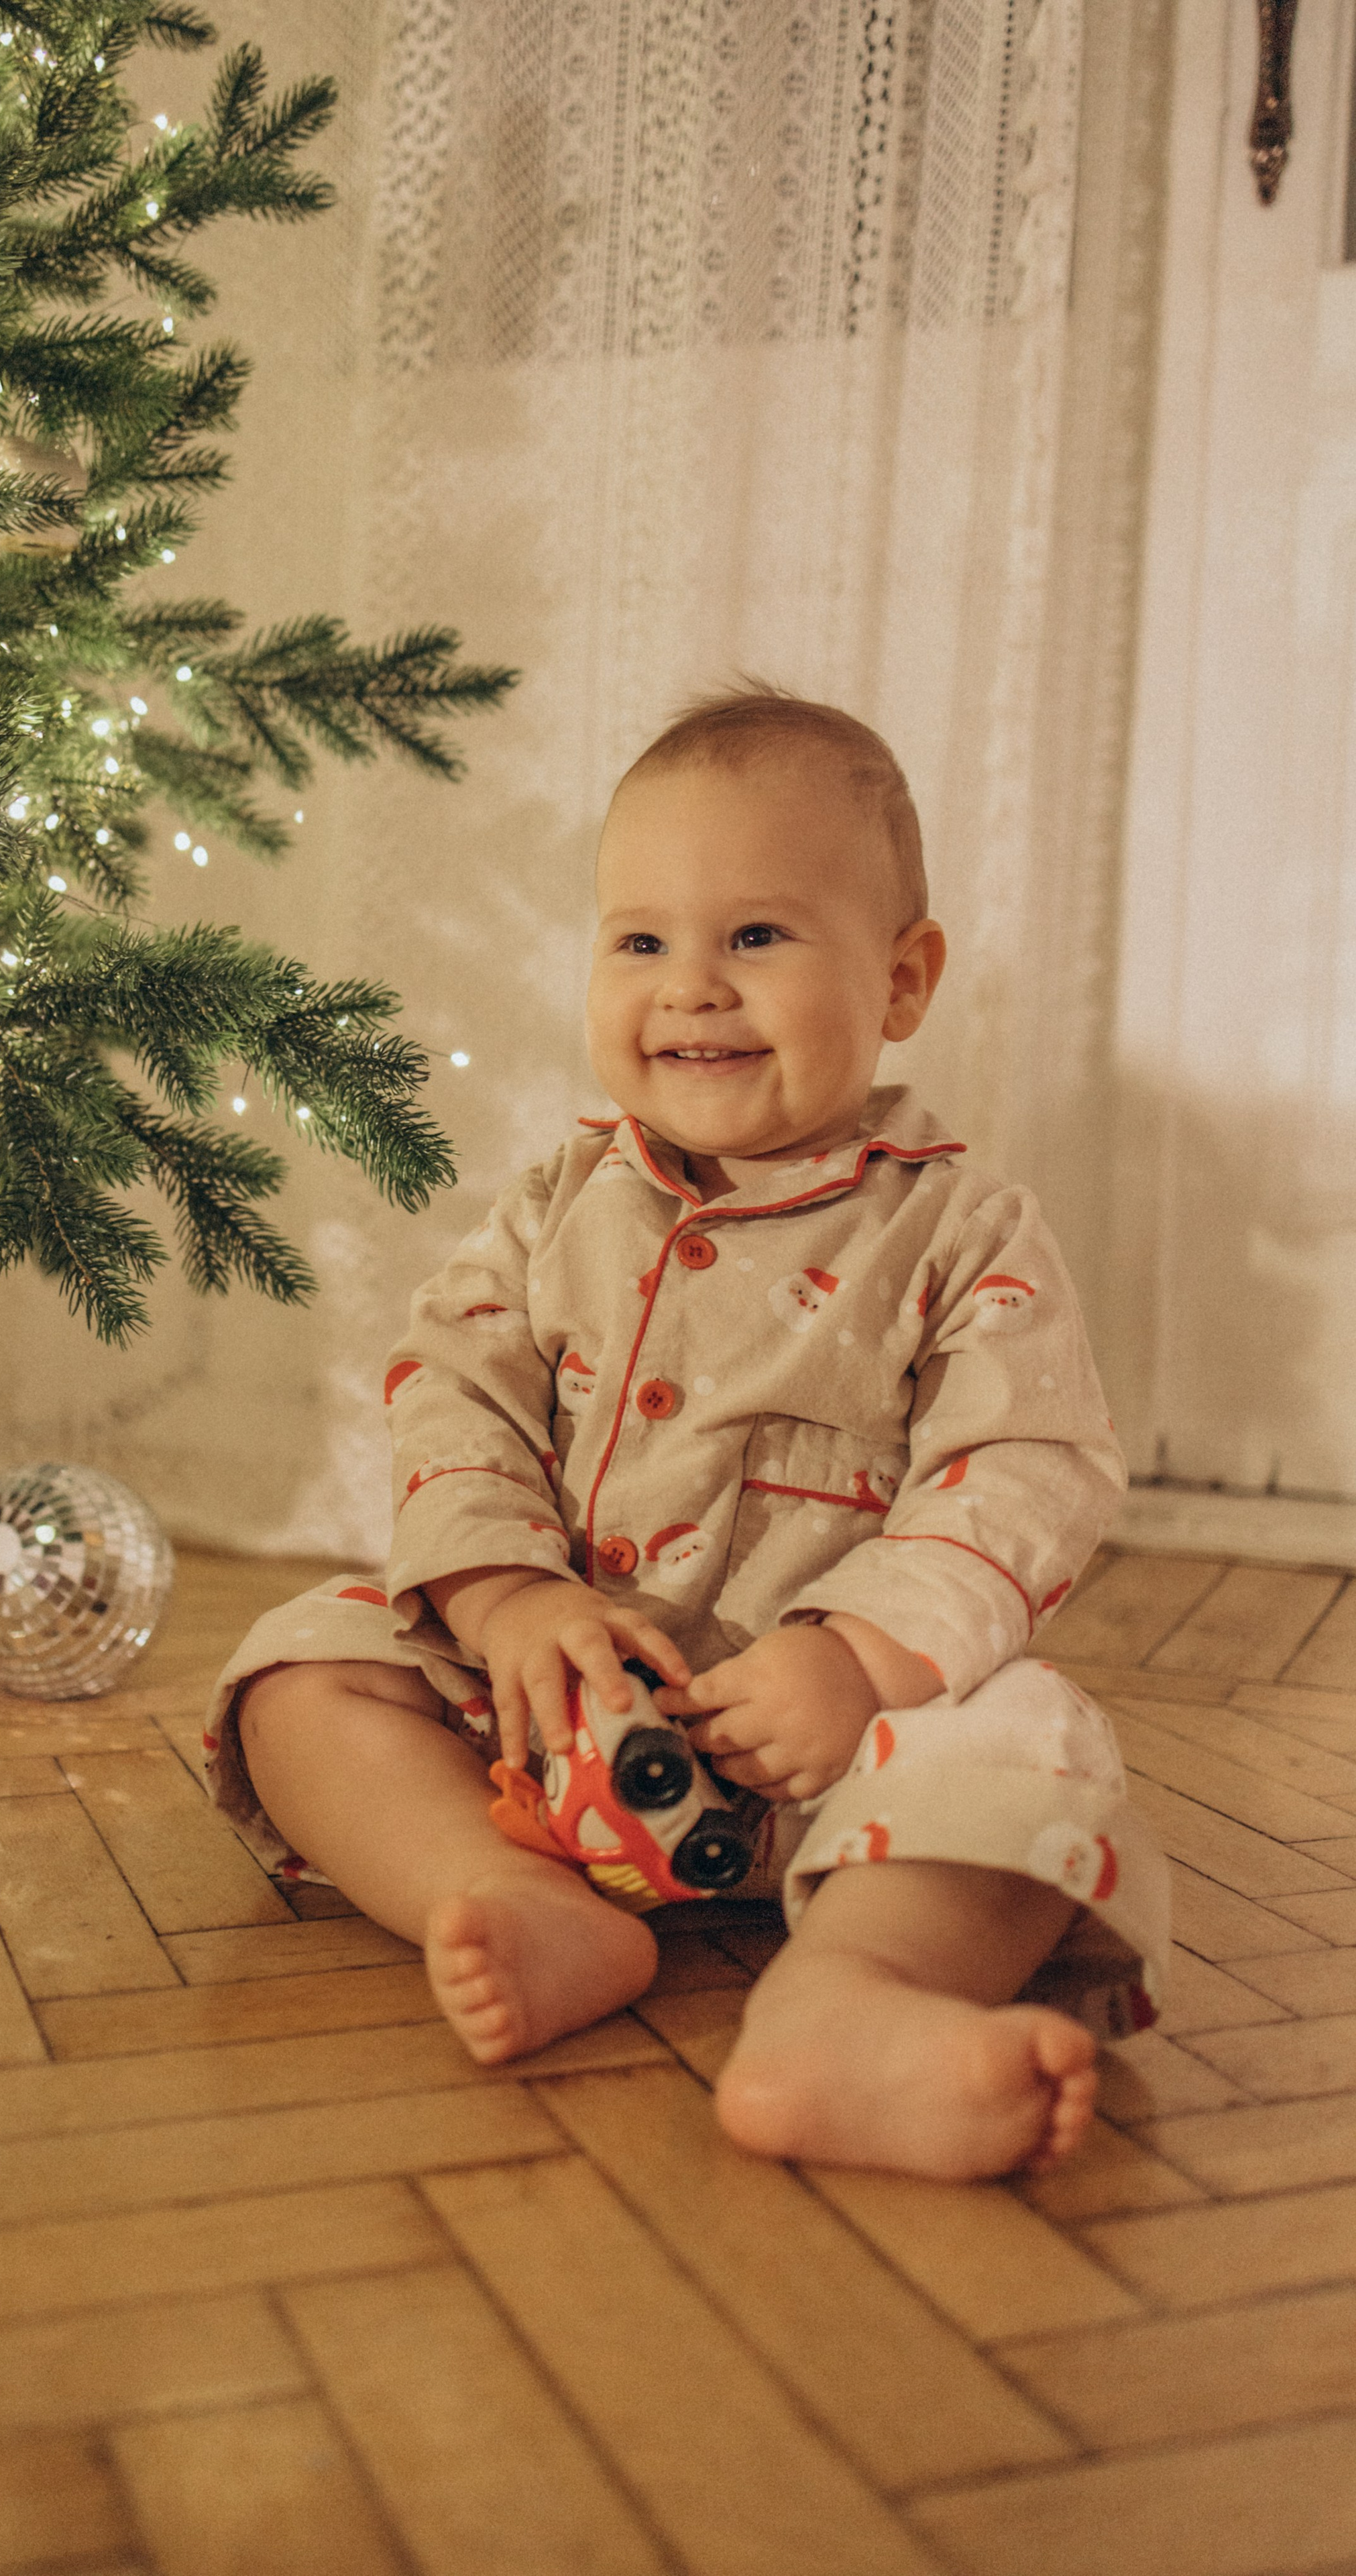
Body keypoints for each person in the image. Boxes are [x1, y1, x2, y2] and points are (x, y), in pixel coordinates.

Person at [207, 688, 1169, 2182]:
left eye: (756, 937)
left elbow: (1028, 1465)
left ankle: (850, 1998)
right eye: (641, 942)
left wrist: (861, 1660)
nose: (692, 990)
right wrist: (505, 1600)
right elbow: (452, 1387)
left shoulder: (960, 1229)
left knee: (1034, 1745)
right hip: (548, 1739)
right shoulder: (555, 1207)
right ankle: (508, 1895)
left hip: (844, 1764)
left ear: (901, 979)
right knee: (300, 1669)